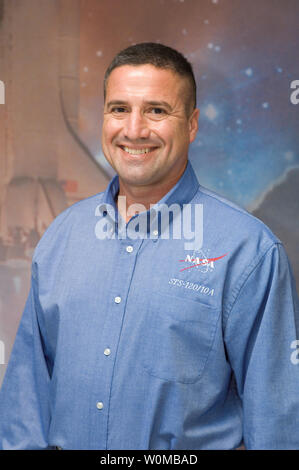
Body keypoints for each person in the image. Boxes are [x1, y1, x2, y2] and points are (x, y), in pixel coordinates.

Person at [0, 42, 298, 450]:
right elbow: (24, 407)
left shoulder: (250, 252)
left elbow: (277, 425)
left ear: (192, 125)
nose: (134, 129)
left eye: (157, 110)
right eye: (119, 109)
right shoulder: (61, 238)